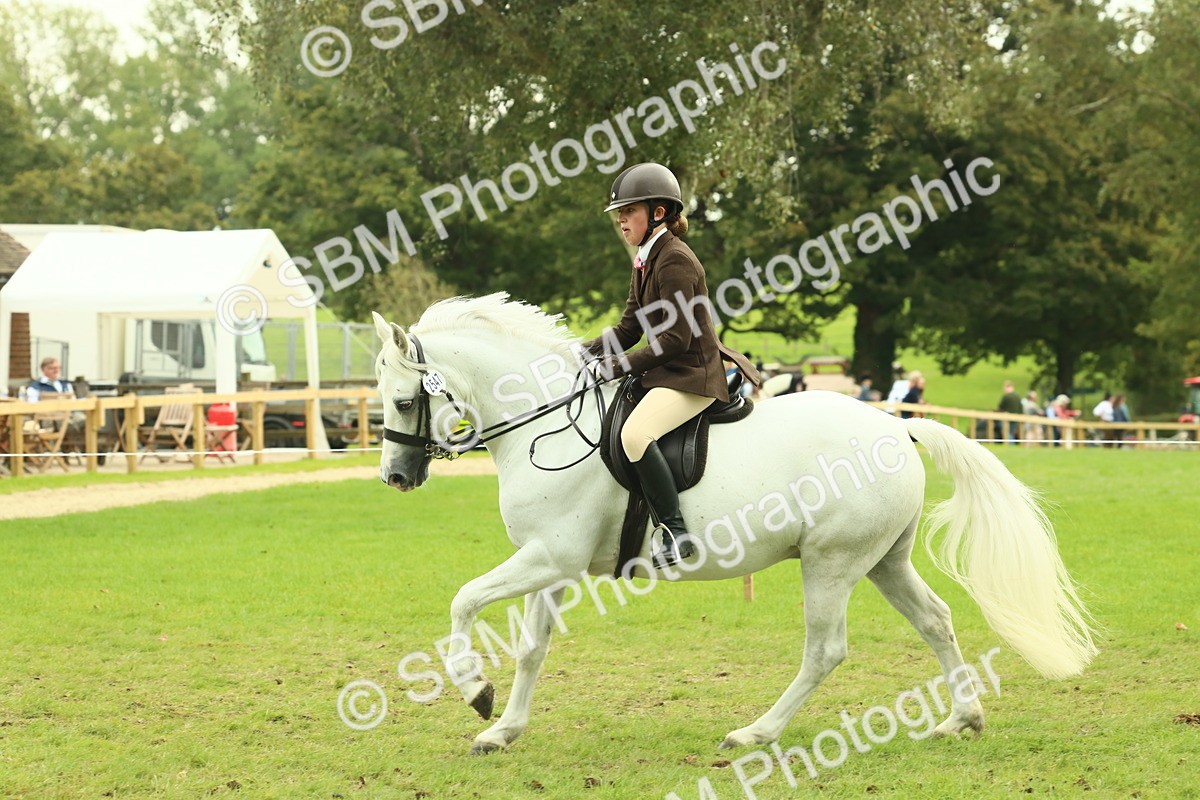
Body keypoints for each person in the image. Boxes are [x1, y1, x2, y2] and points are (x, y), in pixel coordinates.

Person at [582, 162, 760, 569]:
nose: (621, 219)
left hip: (692, 377)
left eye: (629, 211)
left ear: (658, 213)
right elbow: (629, 328)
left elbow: (675, 340)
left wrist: (615, 367)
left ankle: (676, 533)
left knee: (635, 434)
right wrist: (580, 352)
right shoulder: (646, 259)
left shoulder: (674, 260)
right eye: (619, 213)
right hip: (669, 374)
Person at [25, 357, 86, 438]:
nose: (56, 370)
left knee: (87, 420)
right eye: (52, 368)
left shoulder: (65, 384)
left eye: (57, 368)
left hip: (69, 413)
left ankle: (86, 447)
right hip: (48, 417)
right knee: (63, 422)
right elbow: (32, 405)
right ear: (43, 370)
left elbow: (73, 401)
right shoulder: (36, 386)